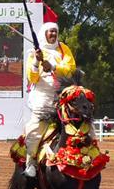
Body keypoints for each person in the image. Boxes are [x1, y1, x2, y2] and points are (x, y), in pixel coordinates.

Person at [22, 21, 76, 177]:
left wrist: (52, 66)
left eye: (55, 31)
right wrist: (37, 61)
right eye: (50, 31)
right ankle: (30, 162)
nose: (53, 34)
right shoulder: (35, 53)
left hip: (63, 96)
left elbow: (70, 70)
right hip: (42, 97)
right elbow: (32, 78)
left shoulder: (63, 49)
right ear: (44, 34)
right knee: (35, 130)